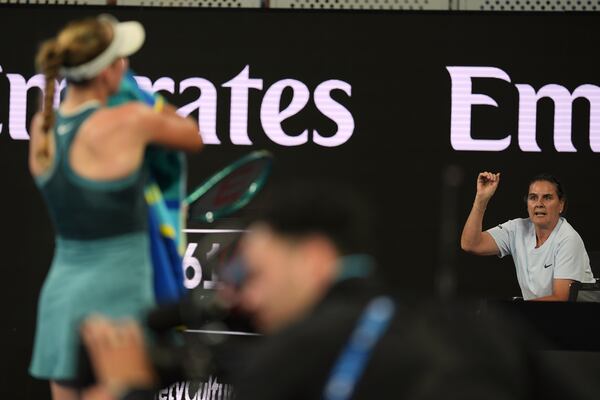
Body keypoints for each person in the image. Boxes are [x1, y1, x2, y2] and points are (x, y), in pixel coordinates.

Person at [80, 182, 599, 400]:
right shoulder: (474, 332)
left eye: (253, 275)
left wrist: (125, 390)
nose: (244, 298)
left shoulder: (301, 353)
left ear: (313, 261)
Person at [28, 14, 202, 400]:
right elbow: (192, 136)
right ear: (109, 72)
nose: (127, 65)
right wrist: (138, 93)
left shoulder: (42, 126)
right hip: (118, 297)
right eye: (121, 59)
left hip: (61, 296)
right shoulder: (130, 120)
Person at [461, 172, 595, 301]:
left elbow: (560, 299)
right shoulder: (517, 228)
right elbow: (471, 244)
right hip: (539, 316)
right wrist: (481, 199)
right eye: (533, 197)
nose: (539, 203)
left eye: (547, 197)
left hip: (579, 319)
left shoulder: (568, 239)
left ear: (561, 205)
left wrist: (515, 311)